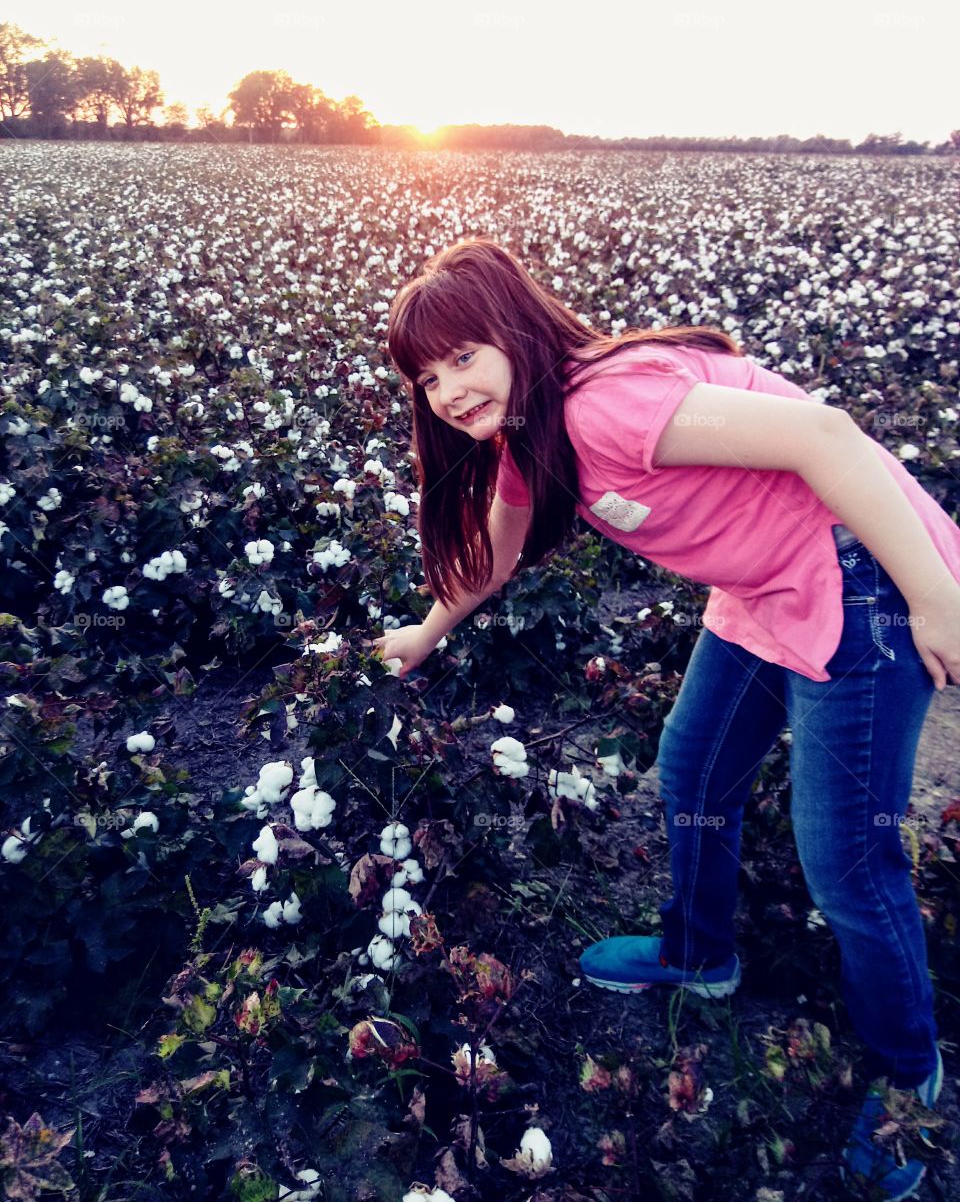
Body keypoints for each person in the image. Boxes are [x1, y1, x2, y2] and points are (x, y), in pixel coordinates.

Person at [372, 236, 960, 1200]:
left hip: (862, 573)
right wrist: (425, 632)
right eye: (428, 376)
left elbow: (828, 438)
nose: (446, 389)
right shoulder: (532, 429)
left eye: (463, 356)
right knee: (692, 773)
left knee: (847, 860)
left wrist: (936, 598)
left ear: (515, 329)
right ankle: (699, 954)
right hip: (764, 584)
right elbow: (498, 549)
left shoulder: (606, 402)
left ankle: (911, 1083)